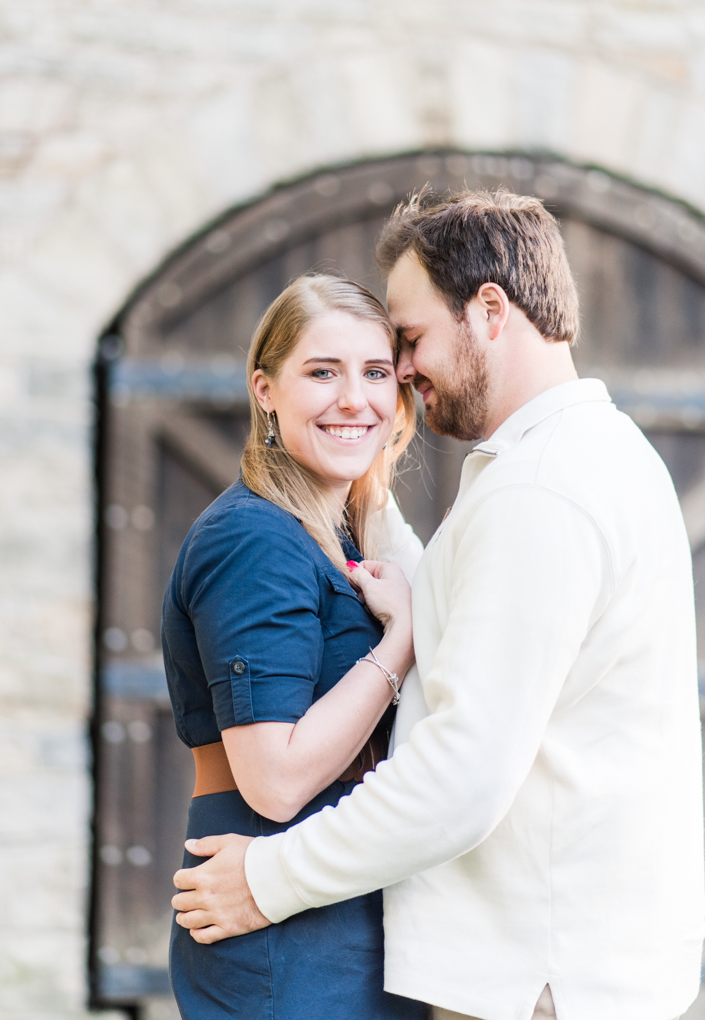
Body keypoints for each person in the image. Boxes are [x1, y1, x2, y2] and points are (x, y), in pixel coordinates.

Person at [171, 189, 705, 1020]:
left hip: (540, 982)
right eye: (332, 370)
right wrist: (358, 471)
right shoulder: (585, 456)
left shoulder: (541, 489)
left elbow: (464, 773)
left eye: (405, 346)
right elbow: (464, 621)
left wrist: (268, 878)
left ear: (489, 310)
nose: (403, 376)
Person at [161, 273, 430, 1020]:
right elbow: (274, 779)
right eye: (322, 372)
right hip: (282, 931)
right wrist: (401, 642)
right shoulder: (256, 538)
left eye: (376, 372)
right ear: (265, 390)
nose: (355, 398)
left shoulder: (335, 525)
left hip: (333, 910)